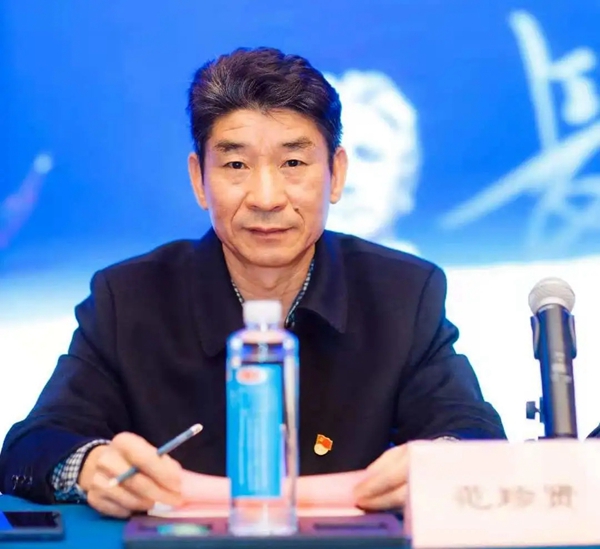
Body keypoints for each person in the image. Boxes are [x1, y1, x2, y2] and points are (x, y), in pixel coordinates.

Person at [0, 47, 505, 518]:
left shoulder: (404, 293)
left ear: (336, 173)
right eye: (236, 165)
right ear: (199, 179)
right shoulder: (128, 298)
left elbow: (474, 435)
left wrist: (438, 463)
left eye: (293, 163)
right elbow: (32, 445)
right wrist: (89, 467)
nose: (266, 197)